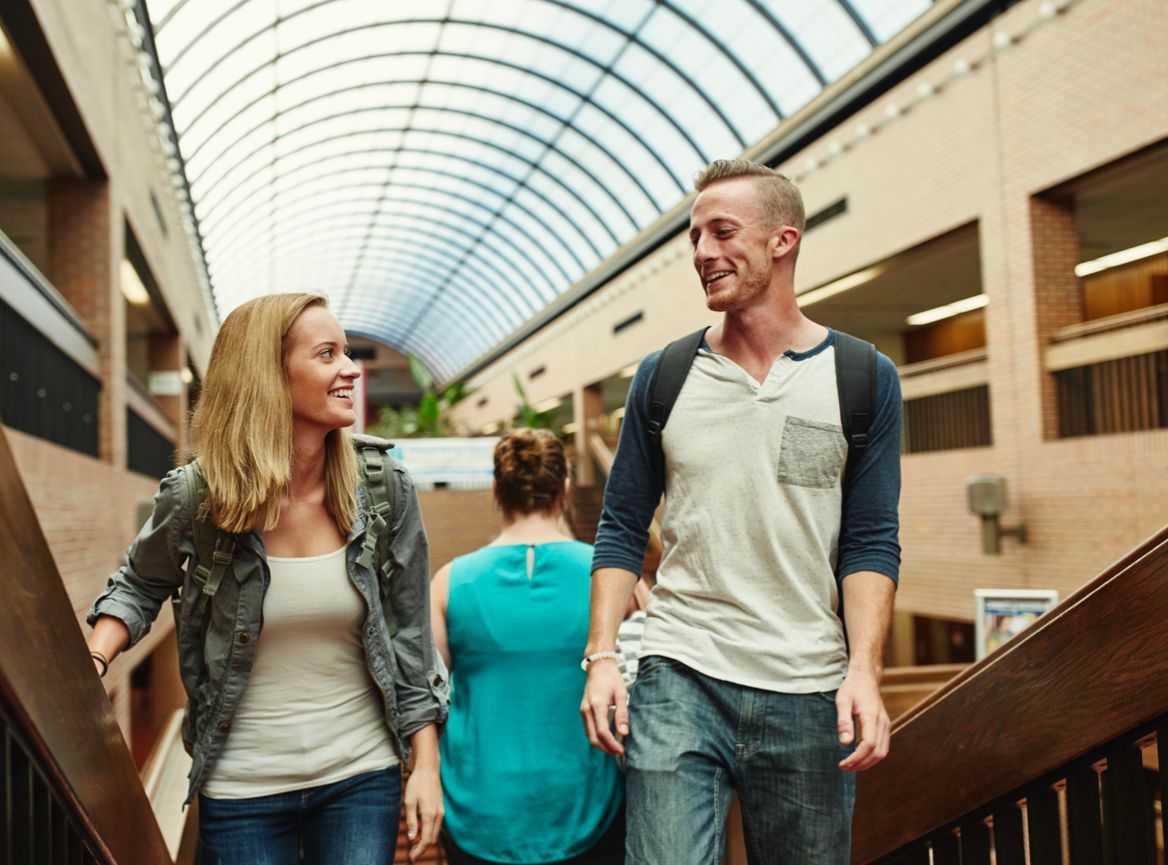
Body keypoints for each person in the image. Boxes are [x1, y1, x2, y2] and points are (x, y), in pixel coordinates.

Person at [579, 159, 902, 864]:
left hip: (810, 685)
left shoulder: (862, 377)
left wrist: (865, 671)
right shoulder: (663, 376)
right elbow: (623, 524)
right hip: (680, 671)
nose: (701, 253)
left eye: (722, 232)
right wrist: (603, 656)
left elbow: (872, 540)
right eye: (695, 237)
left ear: (783, 240)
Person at [85, 293, 447, 865]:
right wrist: (96, 659)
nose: (350, 369)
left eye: (346, 352)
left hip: (361, 775)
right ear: (270, 378)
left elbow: (410, 634)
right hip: (243, 786)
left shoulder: (382, 487)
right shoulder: (198, 496)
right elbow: (139, 583)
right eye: (327, 354)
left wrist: (425, 766)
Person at [431, 429, 625, 865]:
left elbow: (427, 698)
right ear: (566, 490)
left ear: (496, 491)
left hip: (478, 806)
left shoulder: (449, 583)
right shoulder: (609, 577)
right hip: (586, 805)